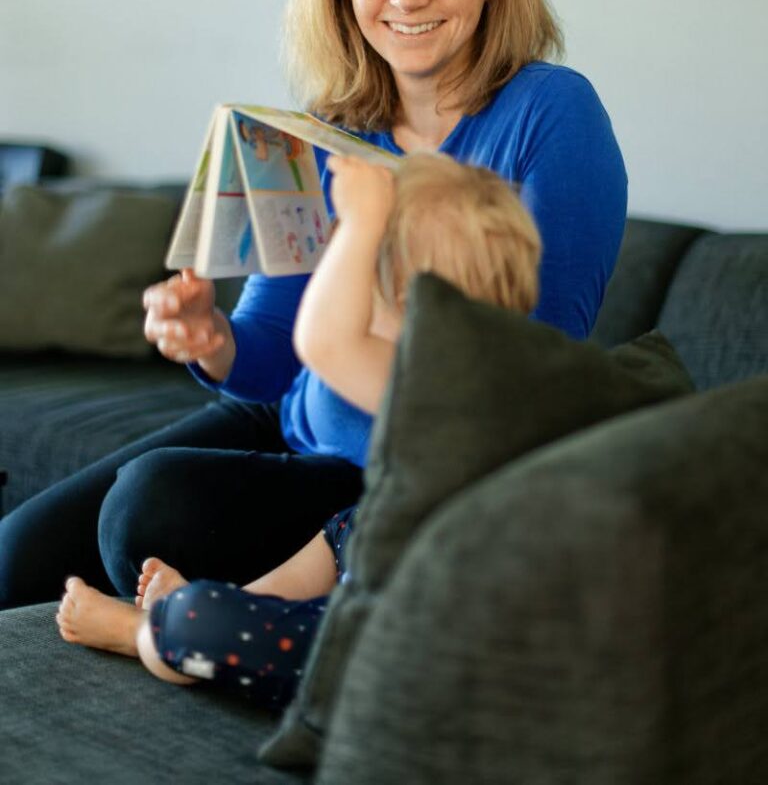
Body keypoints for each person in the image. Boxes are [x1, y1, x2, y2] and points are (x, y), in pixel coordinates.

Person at [0, 0, 627, 610]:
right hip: (291, 419)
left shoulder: (553, 112)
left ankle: (186, 625)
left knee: (149, 509)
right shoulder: (327, 130)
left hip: (406, 457)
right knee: (16, 553)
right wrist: (214, 340)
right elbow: (268, 357)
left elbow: (538, 360)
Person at [55, 151, 542, 707]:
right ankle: (232, 602)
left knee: (222, 627)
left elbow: (322, 342)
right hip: (384, 547)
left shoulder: (441, 376)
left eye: (355, 277)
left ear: (416, 309)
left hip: (401, 642)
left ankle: (150, 633)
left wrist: (362, 221)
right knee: (346, 529)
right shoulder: (482, 367)